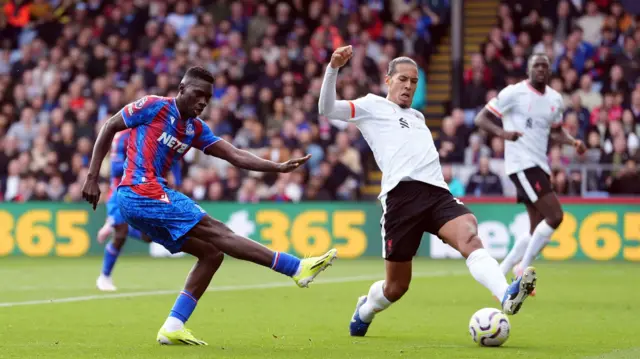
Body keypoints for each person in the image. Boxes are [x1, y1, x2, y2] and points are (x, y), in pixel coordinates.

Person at [82, 66, 337, 345]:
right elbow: (109, 126)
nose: (203, 102)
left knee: (212, 252)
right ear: (181, 89)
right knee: (219, 231)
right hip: (138, 190)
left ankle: (173, 325)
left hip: (146, 199)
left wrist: (275, 167)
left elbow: (234, 154)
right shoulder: (153, 106)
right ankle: (296, 268)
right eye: (198, 94)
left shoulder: (194, 129)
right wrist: (92, 177)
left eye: (208, 98)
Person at [318, 46, 536, 337]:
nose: (408, 85)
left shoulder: (419, 118)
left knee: (469, 234)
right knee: (396, 287)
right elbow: (327, 109)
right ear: (388, 81)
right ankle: (366, 308)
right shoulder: (371, 105)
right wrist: (333, 68)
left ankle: (505, 296)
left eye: (414, 81)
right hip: (401, 199)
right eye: (402, 79)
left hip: (436, 194)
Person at [474, 54, 586, 290]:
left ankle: (500, 273)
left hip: (540, 166)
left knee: (536, 230)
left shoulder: (555, 100)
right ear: (528, 69)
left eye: (545, 65)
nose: (541, 69)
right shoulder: (513, 93)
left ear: (550, 71)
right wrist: (504, 134)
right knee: (555, 216)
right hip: (521, 164)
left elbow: (554, 132)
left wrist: (573, 141)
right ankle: (522, 271)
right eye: (536, 65)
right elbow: (481, 118)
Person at [95, 128, 183, 291]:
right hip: (122, 189)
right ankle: (104, 276)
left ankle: (113, 224)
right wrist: (143, 163)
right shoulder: (121, 137)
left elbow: (174, 159)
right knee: (120, 236)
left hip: (146, 189)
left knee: (148, 237)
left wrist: (176, 182)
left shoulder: (156, 134)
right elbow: (115, 169)